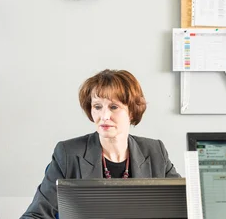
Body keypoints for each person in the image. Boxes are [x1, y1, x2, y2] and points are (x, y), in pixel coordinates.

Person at [20, 69, 181, 219]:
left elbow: (186, 208)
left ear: (132, 111)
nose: (104, 116)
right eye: (97, 107)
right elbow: (35, 215)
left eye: (113, 107)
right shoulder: (68, 154)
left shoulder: (155, 152)